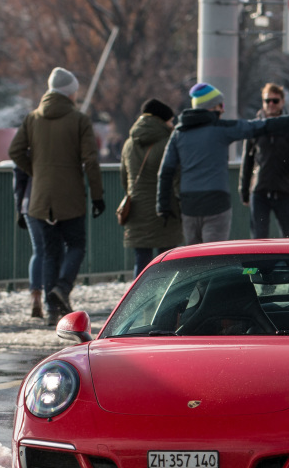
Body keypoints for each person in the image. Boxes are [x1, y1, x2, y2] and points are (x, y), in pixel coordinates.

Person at [9, 66, 106, 325]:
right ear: (70, 93)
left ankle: (53, 311)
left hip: (40, 199)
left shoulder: (32, 119)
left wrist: (37, 172)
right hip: (70, 197)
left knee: (51, 252)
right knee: (76, 245)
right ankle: (62, 288)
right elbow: (90, 160)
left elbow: (15, 151)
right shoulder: (79, 120)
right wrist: (97, 195)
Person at [158, 82, 289, 246]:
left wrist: (163, 205)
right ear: (211, 107)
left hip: (189, 204)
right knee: (214, 254)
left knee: (194, 255)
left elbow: (166, 171)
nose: (223, 109)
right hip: (216, 202)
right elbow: (262, 126)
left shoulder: (179, 133)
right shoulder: (222, 129)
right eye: (220, 105)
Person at [240, 83, 289, 239]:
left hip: (286, 190)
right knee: (259, 238)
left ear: (282, 102)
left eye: (275, 101)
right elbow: (247, 160)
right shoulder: (255, 127)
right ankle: (260, 265)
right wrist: (244, 190)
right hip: (260, 190)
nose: (271, 104)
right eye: (267, 101)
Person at [121, 98, 182, 277]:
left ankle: (140, 302)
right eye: (170, 121)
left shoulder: (129, 144)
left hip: (137, 209)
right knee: (168, 261)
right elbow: (176, 176)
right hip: (165, 210)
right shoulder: (168, 143)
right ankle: (165, 302)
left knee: (141, 261)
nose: (172, 125)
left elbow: (124, 178)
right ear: (162, 120)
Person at [11, 164, 43, 318]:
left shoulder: (29, 143)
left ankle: (36, 296)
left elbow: (19, 176)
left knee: (38, 250)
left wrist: (20, 208)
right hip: (55, 203)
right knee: (54, 251)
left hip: (29, 202)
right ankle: (53, 300)